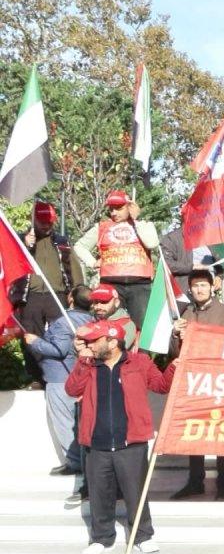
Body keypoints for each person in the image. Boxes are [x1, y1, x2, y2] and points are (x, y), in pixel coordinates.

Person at [64, 319, 176, 554]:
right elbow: (72, 390)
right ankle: (102, 538)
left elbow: (162, 385)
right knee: (99, 493)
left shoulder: (140, 362)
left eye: (95, 341)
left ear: (113, 342)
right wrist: (83, 361)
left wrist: (176, 366)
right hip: (96, 442)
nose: (90, 345)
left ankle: (143, 535)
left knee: (136, 492)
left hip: (131, 442)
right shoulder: (89, 365)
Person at [170, 268, 224, 500]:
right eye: (195, 285)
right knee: (194, 433)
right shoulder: (185, 314)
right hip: (193, 383)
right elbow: (174, 353)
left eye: (203, 285)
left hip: (220, 382)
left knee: (222, 434)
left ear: (213, 287)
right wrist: (174, 334)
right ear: (189, 289)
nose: (199, 289)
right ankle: (195, 481)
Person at [23, 286, 93, 503]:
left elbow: (59, 350)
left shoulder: (65, 322)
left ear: (71, 298)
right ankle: (77, 462)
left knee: (64, 422)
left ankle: (75, 462)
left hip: (60, 378)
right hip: (75, 376)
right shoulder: (89, 319)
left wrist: (35, 341)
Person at [16, 202, 84, 386]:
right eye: (42, 222)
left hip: (58, 295)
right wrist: (24, 244)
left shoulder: (62, 242)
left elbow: (74, 267)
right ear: (34, 219)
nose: (46, 225)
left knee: (62, 334)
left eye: (50, 222)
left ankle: (63, 372)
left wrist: (77, 292)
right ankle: (37, 376)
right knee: (31, 335)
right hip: (30, 296)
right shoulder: (21, 239)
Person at [73, 191, 159, 328]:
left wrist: (136, 219)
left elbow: (152, 243)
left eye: (119, 208)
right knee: (110, 325)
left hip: (140, 285)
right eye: (111, 209)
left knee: (142, 327)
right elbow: (79, 246)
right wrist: (92, 262)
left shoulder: (144, 225)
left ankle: (140, 350)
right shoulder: (101, 227)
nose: (114, 213)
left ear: (130, 207)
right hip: (110, 285)